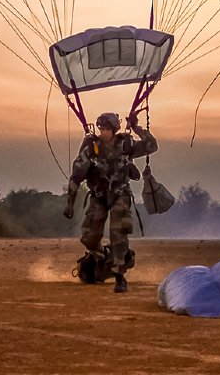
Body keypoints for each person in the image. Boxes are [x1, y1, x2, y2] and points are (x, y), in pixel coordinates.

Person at [64, 110, 158, 293]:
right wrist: (70, 202)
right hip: (98, 196)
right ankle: (102, 255)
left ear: (115, 129)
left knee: (119, 232)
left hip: (119, 195)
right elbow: (76, 176)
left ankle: (119, 276)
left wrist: (137, 127)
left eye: (107, 128)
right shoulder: (92, 147)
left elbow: (151, 146)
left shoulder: (126, 144)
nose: (104, 132)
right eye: (101, 128)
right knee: (88, 237)